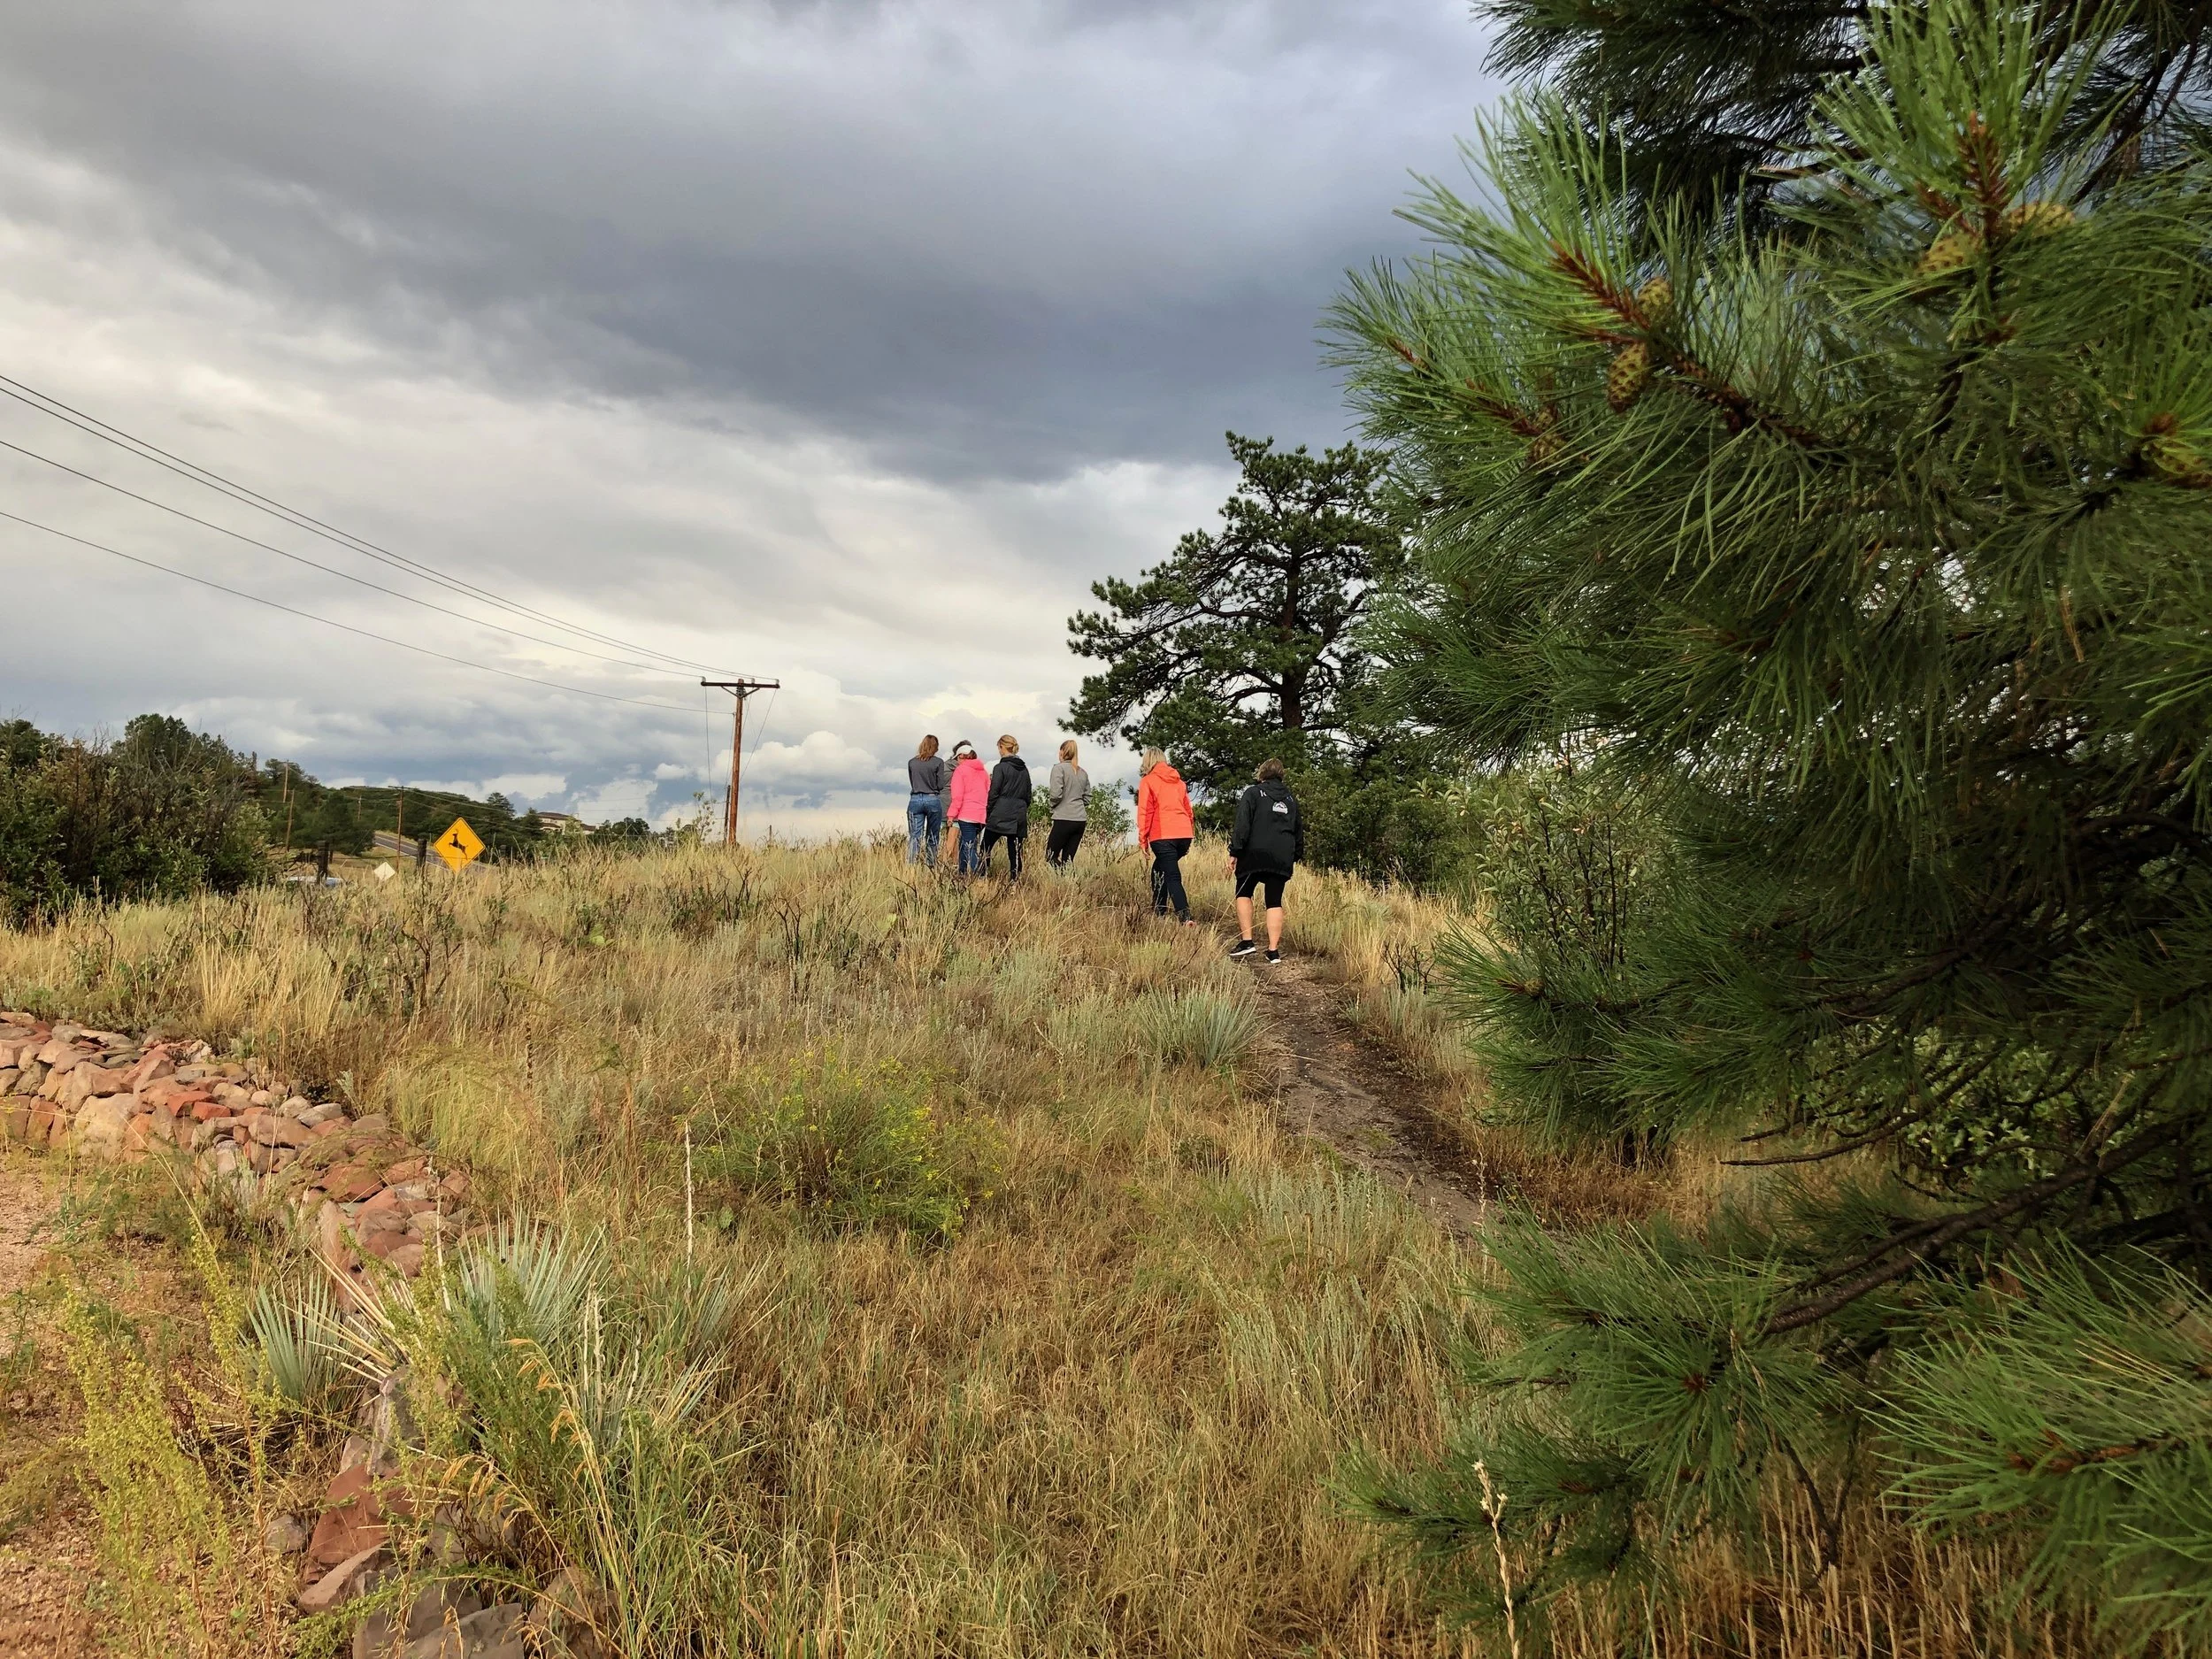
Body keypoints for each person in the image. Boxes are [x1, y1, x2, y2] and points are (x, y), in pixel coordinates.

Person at [1227, 757, 1302, 963]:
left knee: (1244, 892)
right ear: (1281, 775)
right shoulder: (1291, 799)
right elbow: (1298, 831)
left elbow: (1243, 825)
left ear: (1262, 774)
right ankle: (1273, 951)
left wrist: (1235, 851)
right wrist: (1294, 856)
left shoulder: (1253, 793)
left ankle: (1247, 941)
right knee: (1274, 901)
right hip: (1282, 856)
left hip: (1254, 853)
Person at [1135, 748, 1196, 925]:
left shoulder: (1148, 781)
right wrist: (1188, 831)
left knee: (1171, 875)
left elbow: (1145, 813)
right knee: (1158, 870)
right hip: (1184, 834)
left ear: (1147, 761)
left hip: (1163, 835)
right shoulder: (1179, 782)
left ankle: (1185, 916)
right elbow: (1188, 811)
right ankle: (1159, 911)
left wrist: (1143, 840)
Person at [983, 734, 1033, 878]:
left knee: (985, 847)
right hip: (1019, 814)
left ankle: (982, 876)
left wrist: (988, 812)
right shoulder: (1024, 769)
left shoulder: (1000, 768)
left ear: (1001, 747)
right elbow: (1028, 794)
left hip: (1000, 812)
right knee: (1015, 851)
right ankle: (1014, 881)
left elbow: (994, 792)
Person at [948, 740, 990, 875]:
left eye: (957, 759)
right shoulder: (983, 771)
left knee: (969, 845)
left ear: (961, 757)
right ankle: (962, 872)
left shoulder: (960, 771)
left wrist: (951, 815)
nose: (957, 762)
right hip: (981, 815)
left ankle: (979, 874)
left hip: (967, 814)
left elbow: (957, 796)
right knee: (965, 842)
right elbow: (988, 791)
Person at [1044, 740, 1089, 866]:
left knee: (1050, 856)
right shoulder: (1083, 772)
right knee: (1068, 861)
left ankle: (1061, 881)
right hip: (1080, 820)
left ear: (1062, 752)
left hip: (1064, 818)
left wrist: (1053, 806)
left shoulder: (1058, 769)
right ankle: (1068, 882)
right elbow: (1087, 797)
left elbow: (1056, 794)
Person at [906, 735, 947, 864]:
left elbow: (912, 782)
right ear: (936, 747)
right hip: (932, 798)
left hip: (915, 798)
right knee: (933, 836)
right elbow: (941, 785)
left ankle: (911, 867)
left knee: (915, 836)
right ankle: (931, 865)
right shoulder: (938, 762)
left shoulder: (912, 762)